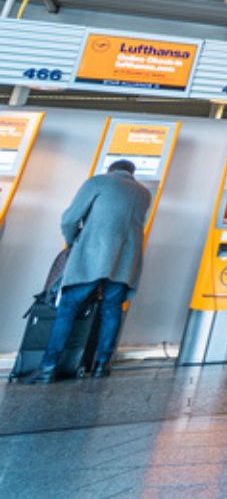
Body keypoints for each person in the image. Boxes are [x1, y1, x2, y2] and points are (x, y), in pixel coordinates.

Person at [32, 159, 150, 382]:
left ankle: (48, 367)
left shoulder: (98, 182)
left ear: (110, 170)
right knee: (111, 309)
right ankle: (101, 365)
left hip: (93, 255)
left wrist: (72, 242)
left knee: (68, 307)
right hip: (126, 260)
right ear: (132, 173)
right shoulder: (144, 193)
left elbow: (70, 218)